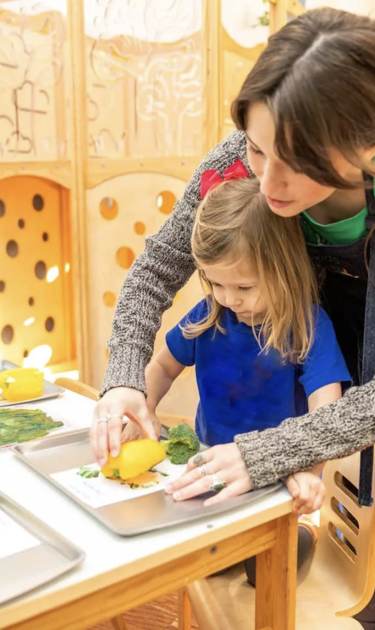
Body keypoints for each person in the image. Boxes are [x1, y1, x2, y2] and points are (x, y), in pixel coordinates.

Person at [91, 9, 375, 630]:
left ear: (363, 145)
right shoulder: (242, 162)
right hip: (337, 332)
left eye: (292, 162)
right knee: (361, 499)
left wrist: (274, 451)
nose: (266, 180)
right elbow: (155, 266)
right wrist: (125, 378)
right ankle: (368, 616)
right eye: (258, 148)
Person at [120, 175, 350, 584]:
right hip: (213, 475)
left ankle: (300, 537)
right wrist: (145, 408)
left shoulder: (310, 328)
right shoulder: (210, 314)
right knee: (195, 564)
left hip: (281, 483)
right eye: (216, 283)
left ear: (285, 269)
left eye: (244, 286)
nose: (229, 298)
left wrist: (306, 467)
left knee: (266, 571)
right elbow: (161, 368)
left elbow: (326, 414)